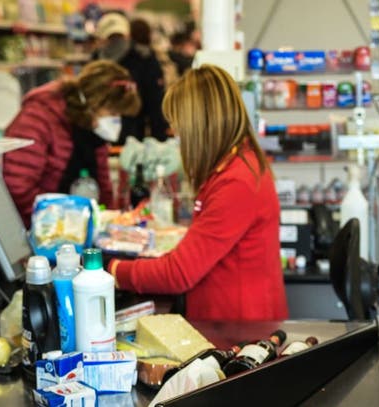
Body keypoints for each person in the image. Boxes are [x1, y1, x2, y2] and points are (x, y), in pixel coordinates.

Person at [109, 65, 289, 321]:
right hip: (231, 321)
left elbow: (179, 273)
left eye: (179, 128)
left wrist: (112, 270)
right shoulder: (235, 166)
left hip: (239, 332)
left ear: (199, 128)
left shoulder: (237, 183)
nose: (178, 138)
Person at [2, 60, 141, 227]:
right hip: (37, 229)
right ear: (92, 103)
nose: (116, 120)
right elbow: (18, 186)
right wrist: (60, 222)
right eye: (112, 112)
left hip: (76, 229)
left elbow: (103, 185)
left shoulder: (91, 128)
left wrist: (109, 223)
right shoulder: (37, 118)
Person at [92, 12, 168, 142]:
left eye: (119, 36)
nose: (116, 42)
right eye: (111, 38)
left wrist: (160, 141)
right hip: (102, 139)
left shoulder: (144, 59)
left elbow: (155, 105)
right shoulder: (95, 62)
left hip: (131, 138)